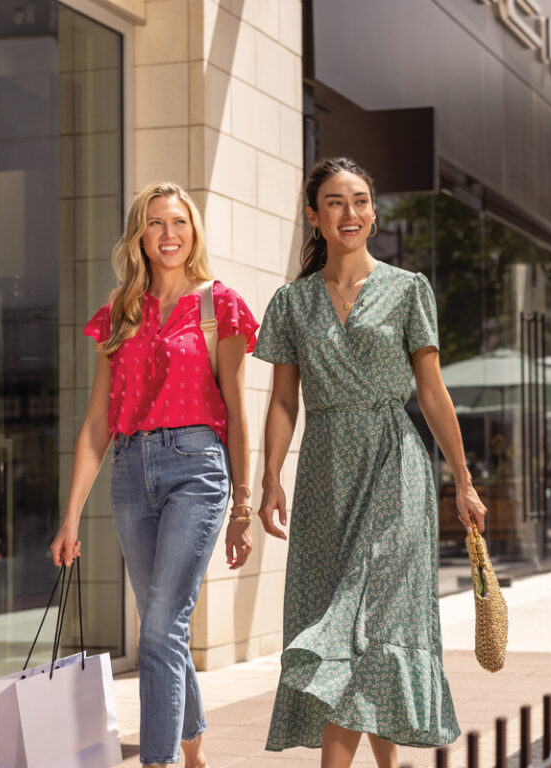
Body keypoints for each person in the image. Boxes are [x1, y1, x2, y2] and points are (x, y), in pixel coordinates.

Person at [254, 157, 487, 767]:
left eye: (360, 200)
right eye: (335, 202)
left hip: (394, 467)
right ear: (314, 216)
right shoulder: (291, 302)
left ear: (374, 212)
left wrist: (462, 480)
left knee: (368, 621)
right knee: (348, 629)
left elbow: (433, 393)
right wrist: (269, 475)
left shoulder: (409, 289)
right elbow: (283, 400)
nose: (350, 212)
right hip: (324, 475)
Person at [49, 182, 258, 768]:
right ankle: (194, 752)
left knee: (161, 626)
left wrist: (243, 507)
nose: (169, 234)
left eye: (179, 223)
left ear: (193, 233)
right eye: (156, 223)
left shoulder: (220, 305)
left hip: (197, 469)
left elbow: (238, 416)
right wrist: (70, 517)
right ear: (139, 235)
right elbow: (96, 424)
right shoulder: (119, 311)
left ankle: (158, 761)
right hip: (129, 473)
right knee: (164, 627)